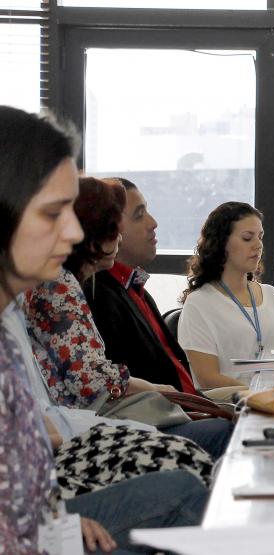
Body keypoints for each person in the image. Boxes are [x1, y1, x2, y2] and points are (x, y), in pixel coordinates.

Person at [0, 105, 208, 553]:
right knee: (186, 486)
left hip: (46, 510)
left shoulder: (9, 331)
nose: (75, 231)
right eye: (54, 212)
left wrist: (53, 517)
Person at [23, 176, 233, 458]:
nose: (118, 237)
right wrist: (152, 387)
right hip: (91, 424)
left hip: (91, 419)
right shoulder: (64, 287)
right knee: (224, 433)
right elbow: (86, 380)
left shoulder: (98, 286)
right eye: (113, 228)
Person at [84, 177, 199, 395]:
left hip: (188, 406)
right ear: (104, 227)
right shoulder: (98, 296)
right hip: (160, 418)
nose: (153, 222)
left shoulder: (136, 288)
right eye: (139, 215)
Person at [178, 202, 274, 389]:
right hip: (234, 408)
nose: (258, 245)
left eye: (260, 237)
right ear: (221, 243)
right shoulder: (199, 304)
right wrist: (259, 396)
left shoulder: (272, 295)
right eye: (248, 238)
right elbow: (208, 379)